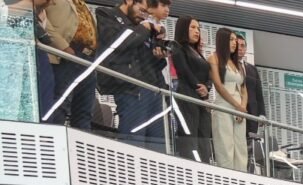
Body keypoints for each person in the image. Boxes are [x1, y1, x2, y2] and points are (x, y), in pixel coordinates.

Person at [95, 0, 165, 150]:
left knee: (158, 146)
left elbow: (152, 63)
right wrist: (144, 28)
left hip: (153, 90)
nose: (143, 15)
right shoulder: (106, 14)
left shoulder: (140, 26)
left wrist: (158, 52)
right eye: (141, 10)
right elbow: (119, 43)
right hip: (130, 88)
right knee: (133, 144)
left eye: (146, 13)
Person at [43, 0, 96, 130]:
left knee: (84, 109)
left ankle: (82, 141)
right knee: (61, 103)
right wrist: (63, 47)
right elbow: (42, 21)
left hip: (88, 58)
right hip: (64, 54)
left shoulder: (82, 4)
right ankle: (54, 136)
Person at [169, 16, 211, 163]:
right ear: (183, 28)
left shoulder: (197, 52)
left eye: (198, 28)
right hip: (186, 94)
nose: (197, 31)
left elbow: (208, 75)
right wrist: (199, 87)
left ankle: (205, 168)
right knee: (189, 135)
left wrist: (207, 88)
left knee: (204, 138)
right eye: (192, 27)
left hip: (201, 99)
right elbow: (184, 70)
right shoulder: (177, 47)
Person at [207, 27, 248, 172]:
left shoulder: (237, 64)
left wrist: (242, 107)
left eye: (235, 40)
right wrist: (237, 106)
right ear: (223, 41)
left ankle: (241, 180)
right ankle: (226, 180)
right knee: (225, 147)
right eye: (231, 40)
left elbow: (244, 89)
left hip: (239, 110)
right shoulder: (214, 58)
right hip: (224, 106)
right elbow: (218, 86)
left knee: (241, 147)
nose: (234, 43)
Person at [235, 34, 263, 139]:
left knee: (251, 142)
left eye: (242, 46)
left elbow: (258, 93)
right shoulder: (228, 66)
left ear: (246, 49)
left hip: (252, 112)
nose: (240, 48)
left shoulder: (252, 69)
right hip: (236, 109)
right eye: (237, 45)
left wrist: (262, 113)